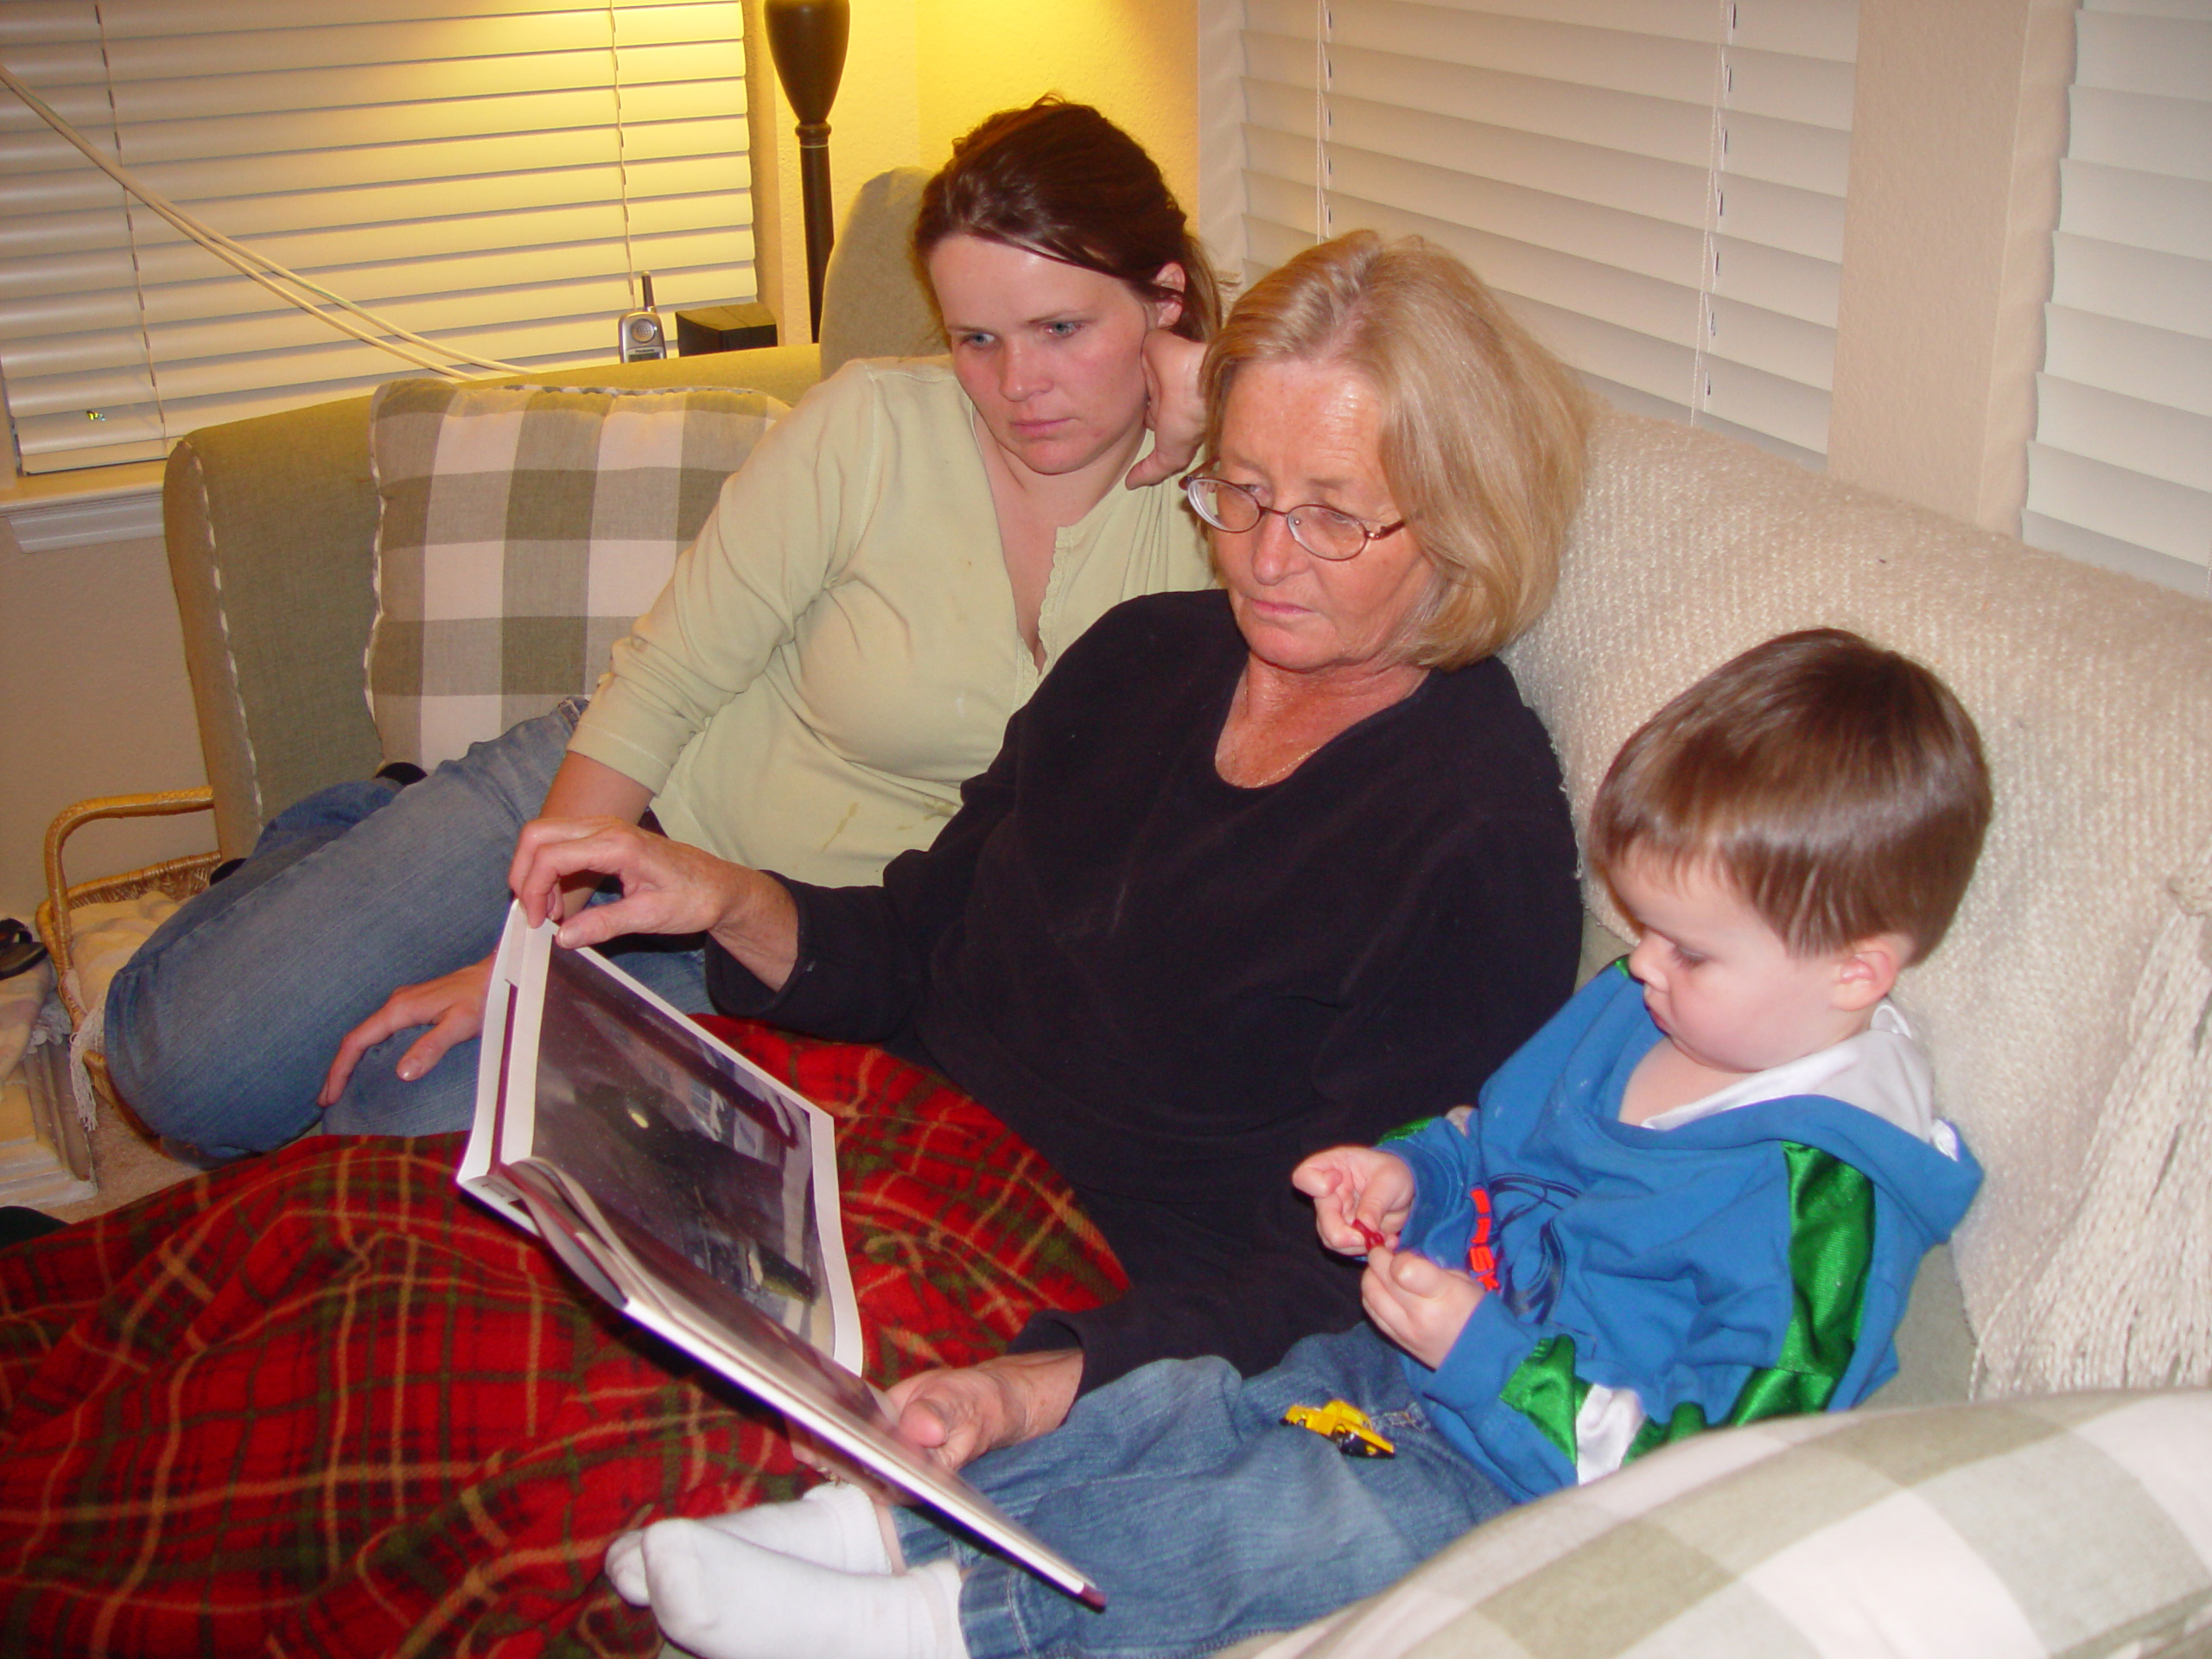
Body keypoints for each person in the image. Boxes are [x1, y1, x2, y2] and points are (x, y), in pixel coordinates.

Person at [0, 230, 1588, 1654]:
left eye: (1331, 515)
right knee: (372, 1229)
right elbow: (920, 934)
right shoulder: (1146, 657)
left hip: (1066, 1280)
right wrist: (727, 898)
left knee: (531, 1444)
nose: (1261, 555)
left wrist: (1053, 1376)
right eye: (1237, 490)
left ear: (1458, 525)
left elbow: (1356, 1267)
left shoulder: (1475, 832)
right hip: (863, 1132)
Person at [606, 627, 1993, 1659]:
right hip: (1393, 1374)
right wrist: (1404, 1171)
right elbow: (1477, 1132)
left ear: (1859, 971)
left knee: (1278, 1519)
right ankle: (875, 1528)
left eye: (1690, 950)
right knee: (1187, 1405)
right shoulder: (1641, 1016)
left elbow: (1715, 1461)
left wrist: (1486, 1351)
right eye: (1641, 932)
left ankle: (947, 1627)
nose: (1642, 971)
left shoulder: (1824, 1201)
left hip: (1509, 1491)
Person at [102, 97, 1221, 1160]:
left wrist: (1222, 388)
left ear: (1161, 302)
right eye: (977, 339)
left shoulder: (1235, 509)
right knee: (186, 1074)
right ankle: (351, 832)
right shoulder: (873, 426)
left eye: (1062, 328)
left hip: (777, 938)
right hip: (628, 796)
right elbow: (667, 679)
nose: (1018, 385)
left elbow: (1377, 475)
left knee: (394, 1109)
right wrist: (521, 957)